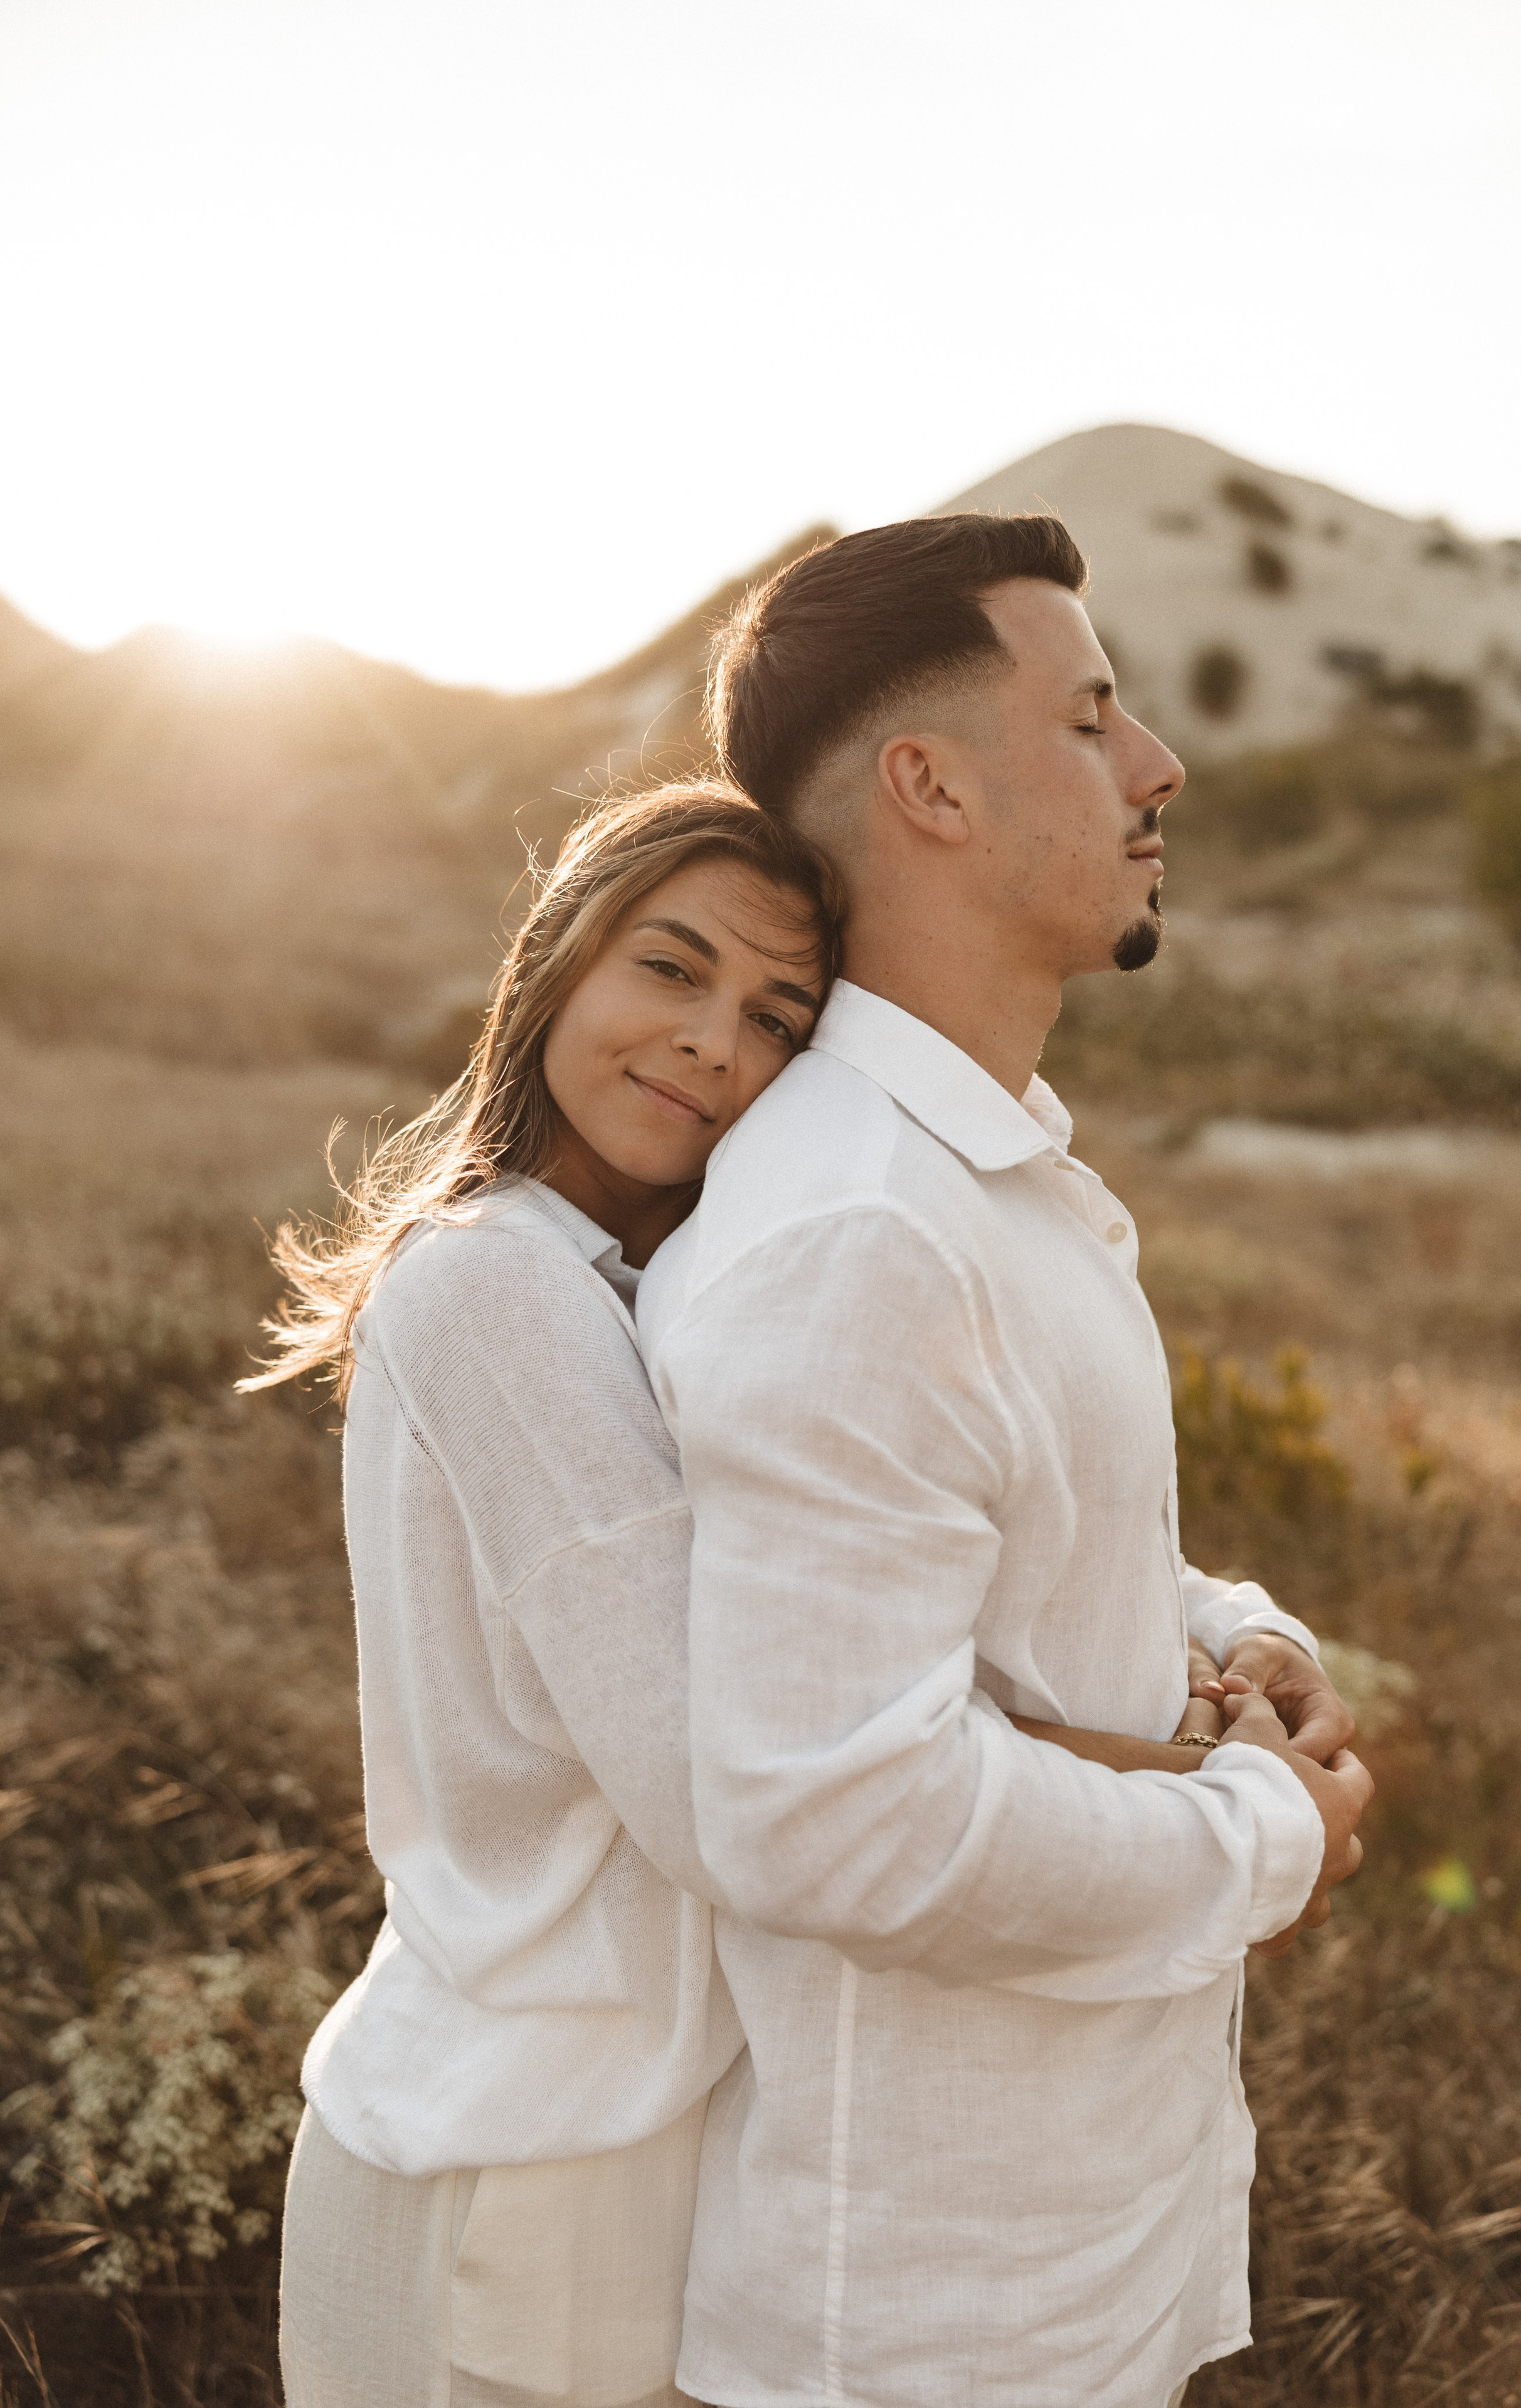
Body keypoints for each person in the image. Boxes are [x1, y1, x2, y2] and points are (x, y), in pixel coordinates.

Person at [635, 515, 1374, 2408]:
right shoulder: (862, 1232)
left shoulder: (985, 1183)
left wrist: (1231, 1630)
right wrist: (1268, 1838)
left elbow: (1028, 1537)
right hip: (928, 2329)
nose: (1159, 767)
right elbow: (841, 1818)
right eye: (1094, 717)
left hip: (1075, 2261)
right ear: (932, 788)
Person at [246, 784, 841, 2408]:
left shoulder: (640, 1290)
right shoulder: (497, 1284)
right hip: (519, 2175)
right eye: (672, 967)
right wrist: (1176, 1789)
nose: (712, 1041)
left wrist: (1223, 1635)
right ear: (560, 961)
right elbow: (720, 1778)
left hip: (587, 2144)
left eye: (776, 1017)